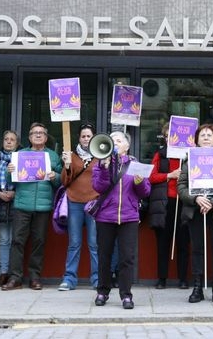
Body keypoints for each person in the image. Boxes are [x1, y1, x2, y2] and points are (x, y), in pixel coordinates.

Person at [177, 123, 213, 303]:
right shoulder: (189, 160)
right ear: (196, 140)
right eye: (202, 135)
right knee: (197, 249)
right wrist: (195, 199)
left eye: (209, 135)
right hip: (195, 210)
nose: (205, 138)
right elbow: (181, 186)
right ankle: (197, 287)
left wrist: (212, 202)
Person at [92, 131, 151, 310]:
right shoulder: (101, 163)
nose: (115, 143)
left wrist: (140, 182)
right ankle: (102, 291)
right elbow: (98, 187)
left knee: (127, 258)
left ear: (127, 146)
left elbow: (146, 192)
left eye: (119, 140)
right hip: (106, 216)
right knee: (104, 256)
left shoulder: (135, 165)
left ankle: (126, 294)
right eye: (113, 140)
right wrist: (104, 168)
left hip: (129, 217)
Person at [2, 122, 61, 291]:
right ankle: (15, 278)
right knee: (17, 242)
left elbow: (61, 180)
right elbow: (9, 181)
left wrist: (54, 176)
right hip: (22, 205)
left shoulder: (52, 156)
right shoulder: (20, 155)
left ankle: (35, 277)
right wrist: (9, 171)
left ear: (46, 136)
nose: (38, 135)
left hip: (43, 207)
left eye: (41, 133)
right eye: (34, 133)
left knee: (39, 242)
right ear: (29, 137)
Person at [148, 122, 190, 290]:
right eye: (167, 136)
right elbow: (151, 177)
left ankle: (183, 279)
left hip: (184, 201)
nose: (170, 139)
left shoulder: (188, 156)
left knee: (183, 243)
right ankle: (162, 278)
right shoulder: (160, 154)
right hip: (165, 203)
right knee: (163, 243)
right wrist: (170, 175)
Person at [59, 123, 99, 291]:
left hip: (94, 203)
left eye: (88, 136)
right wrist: (67, 165)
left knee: (94, 243)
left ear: (93, 138)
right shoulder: (72, 155)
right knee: (74, 242)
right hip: (74, 201)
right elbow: (64, 181)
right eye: (83, 136)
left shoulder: (100, 155)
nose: (85, 139)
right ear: (79, 138)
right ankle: (69, 279)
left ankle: (97, 279)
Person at [0, 130, 19, 287]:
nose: (9, 142)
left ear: (17, 143)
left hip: (17, 203)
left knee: (17, 240)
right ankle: (4, 272)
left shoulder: (21, 158)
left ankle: (14, 274)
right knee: (4, 239)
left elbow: (27, 178)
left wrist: (15, 192)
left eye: (12, 140)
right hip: (0, 203)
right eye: (6, 139)